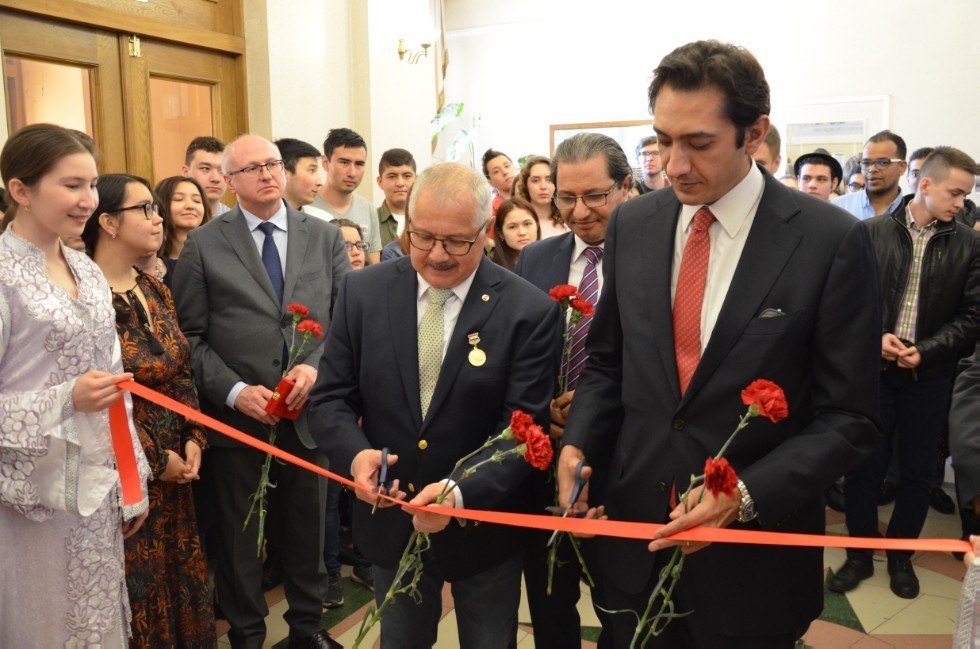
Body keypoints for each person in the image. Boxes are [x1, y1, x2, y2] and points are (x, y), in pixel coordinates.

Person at [558, 40, 881, 647]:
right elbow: (607, 364)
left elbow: (850, 418)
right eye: (662, 141)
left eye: (698, 143)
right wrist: (577, 447)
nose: (673, 165)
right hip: (635, 541)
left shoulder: (828, 240)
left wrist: (747, 495)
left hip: (753, 562)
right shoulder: (635, 223)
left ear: (753, 133)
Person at [309, 162, 559, 648]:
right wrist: (356, 455)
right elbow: (332, 397)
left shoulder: (528, 310)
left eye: (456, 242)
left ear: (486, 231)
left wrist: (458, 493)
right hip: (391, 517)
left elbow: (521, 430)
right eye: (421, 237)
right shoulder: (365, 291)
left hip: (484, 526)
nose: (437, 255)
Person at [172, 134, 349, 649]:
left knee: (307, 537)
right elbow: (189, 336)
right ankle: (247, 636)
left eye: (273, 163)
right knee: (239, 542)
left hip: (306, 414)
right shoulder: (206, 242)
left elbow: (341, 322)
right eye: (252, 168)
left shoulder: (324, 237)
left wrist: (315, 370)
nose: (268, 174)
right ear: (228, 182)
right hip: (237, 422)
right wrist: (233, 391)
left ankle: (307, 632)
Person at [0, 123, 150, 647]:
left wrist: (131, 480)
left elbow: (115, 384)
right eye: (71, 185)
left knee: (98, 617)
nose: (87, 200)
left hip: (97, 481)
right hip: (27, 496)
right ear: (21, 190)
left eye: (91, 185)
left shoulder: (86, 270)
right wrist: (65, 399)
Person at [831, 147, 978, 600]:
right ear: (926, 184)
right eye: (955, 192)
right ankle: (858, 554)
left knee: (917, 473)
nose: (961, 202)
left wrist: (927, 351)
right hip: (873, 372)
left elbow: (973, 317)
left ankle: (900, 557)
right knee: (862, 468)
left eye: (967, 194)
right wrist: (875, 338)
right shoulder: (868, 233)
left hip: (928, 376)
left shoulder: (970, 244)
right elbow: (843, 304)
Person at [82, 173, 216, 647]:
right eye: (145, 209)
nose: (157, 218)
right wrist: (155, 463)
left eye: (156, 208)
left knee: (183, 581)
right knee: (139, 590)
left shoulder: (153, 287)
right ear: (109, 223)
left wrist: (195, 437)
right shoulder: (86, 296)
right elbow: (99, 400)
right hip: (126, 476)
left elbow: (181, 369)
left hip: (179, 465)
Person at [514, 131, 632, 648]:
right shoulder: (537, 258)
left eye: (595, 196)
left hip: (624, 453)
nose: (579, 211)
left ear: (625, 187)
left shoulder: (654, 255)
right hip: (546, 453)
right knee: (548, 596)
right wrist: (544, 408)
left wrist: (591, 413)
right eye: (566, 196)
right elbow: (520, 353)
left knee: (621, 601)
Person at [312, 128, 382, 264]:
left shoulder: (368, 209)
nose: (352, 172)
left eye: (359, 164)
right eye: (344, 162)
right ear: (326, 163)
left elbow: (374, 269)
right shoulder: (306, 206)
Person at [833, 130, 908, 219]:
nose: (872, 169)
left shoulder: (912, 213)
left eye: (882, 162)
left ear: (902, 167)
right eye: (866, 163)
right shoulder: (839, 208)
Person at [156, 176, 212, 284]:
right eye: (178, 199)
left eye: (197, 201)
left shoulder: (216, 256)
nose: (190, 206)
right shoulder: (151, 262)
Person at [514, 155, 567, 239]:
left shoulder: (568, 220)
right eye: (535, 180)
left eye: (549, 180)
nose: (543, 186)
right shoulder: (516, 221)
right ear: (526, 185)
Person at [376, 148, 417, 248]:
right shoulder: (371, 221)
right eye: (392, 176)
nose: (400, 183)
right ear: (380, 182)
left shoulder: (427, 220)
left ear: (416, 180)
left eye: (406, 176)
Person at [275, 137, 326, 216]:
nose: (320, 183)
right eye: (312, 170)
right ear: (283, 173)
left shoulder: (323, 220)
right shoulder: (256, 221)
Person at [182, 135, 230, 217]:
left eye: (222, 170)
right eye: (205, 168)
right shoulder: (163, 220)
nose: (215, 178)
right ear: (186, 172)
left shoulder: (238, 224)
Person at [491, 197, 540, 271]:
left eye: (527, 224)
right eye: (512, 227)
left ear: (537, 225)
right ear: (501, 233)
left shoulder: (552, 260)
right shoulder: (492, 269)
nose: (522, 232)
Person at [482, 148, 516, 215]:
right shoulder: (493, 214)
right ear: (490, 182)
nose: (505, 172)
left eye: (507, 166)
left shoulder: (533, 197)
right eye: (496, 171)